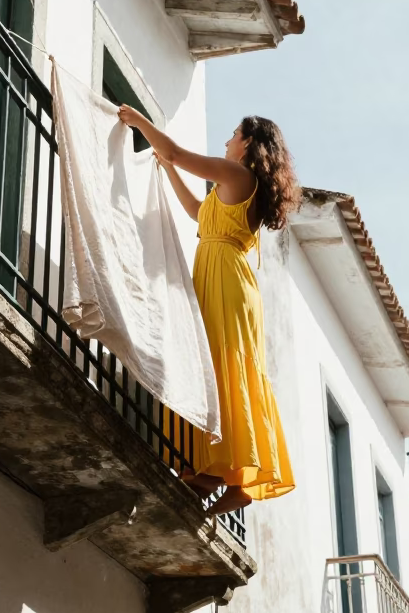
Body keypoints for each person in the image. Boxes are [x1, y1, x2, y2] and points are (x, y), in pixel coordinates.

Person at [117, 106, 299, 515]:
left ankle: (226, 471)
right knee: (211, 365)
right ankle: (225, 476)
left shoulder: (238, 175)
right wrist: (168, 171)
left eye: (233, 134)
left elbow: (179, 152)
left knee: (217, 364)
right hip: (219, 274)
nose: (227, 141)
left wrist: (141, 123)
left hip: (227, 281)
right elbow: (199, 215)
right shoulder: (229, 188)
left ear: (249, 144)